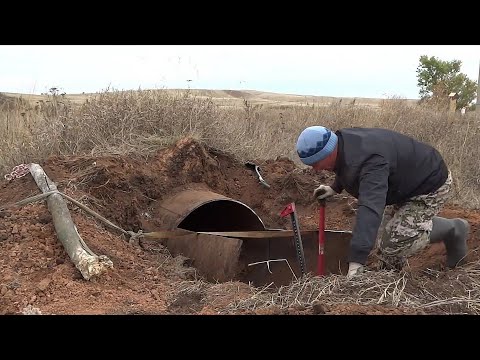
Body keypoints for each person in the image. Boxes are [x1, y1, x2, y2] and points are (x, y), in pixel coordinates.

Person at [295, 125, 470, 279]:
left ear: (328, 151)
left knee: (393, 243)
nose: (315, 169)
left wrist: (356, 261)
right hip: (404, 183)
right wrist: (335, 187)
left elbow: (370, 208)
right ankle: (391, 276)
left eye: (316, 163)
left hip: (429, 184)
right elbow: (348, 167)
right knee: (384, 239)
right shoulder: (343, 142)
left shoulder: (372, 162)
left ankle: (454, 229)